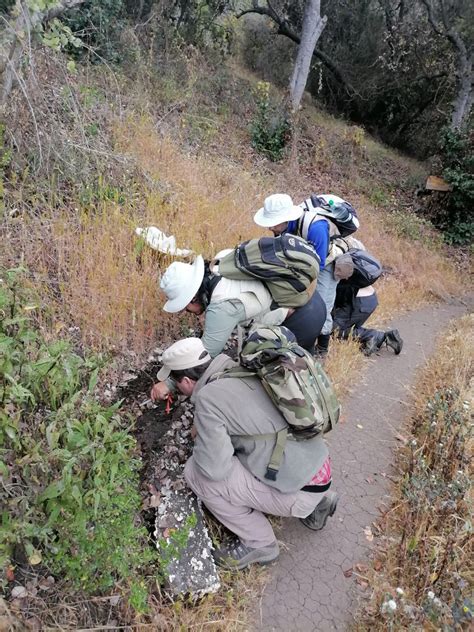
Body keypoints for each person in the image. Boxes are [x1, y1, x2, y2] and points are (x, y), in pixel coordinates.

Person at [154, 336, 338, 570]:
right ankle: (321, 501)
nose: (176, 388)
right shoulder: (238, 369)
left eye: (176, 383)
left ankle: (260, 543)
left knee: (195, 473)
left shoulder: (209, 399)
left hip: (300, 490)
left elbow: (215, 469)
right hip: (318, 467)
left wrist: (202, 438)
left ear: (188, 381)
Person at [152, 253, 326, 400]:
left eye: (185, 307)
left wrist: (170, 383)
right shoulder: (219, 265)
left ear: (192, 299)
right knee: (304, 366)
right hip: (307, 298)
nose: (187, 311)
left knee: (289, 382)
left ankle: (310, 418)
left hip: (299, 320)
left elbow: (203, 356)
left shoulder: (221, 307)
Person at [254, 193, 357, 356]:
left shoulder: (316, 227)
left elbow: (318, 264)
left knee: (322, 302)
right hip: (305, 257)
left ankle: (322, 349)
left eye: (273, 223)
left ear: (285, 218)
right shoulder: (282, 228)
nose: (269, 228)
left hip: (327, 261)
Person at [333, 281, 403, 356]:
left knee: (330, 329)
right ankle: (384, 337)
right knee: (342, 326)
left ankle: (372, 336)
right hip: (369, 297)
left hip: (358, 301)